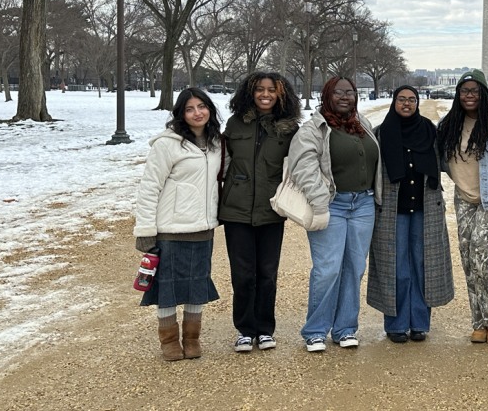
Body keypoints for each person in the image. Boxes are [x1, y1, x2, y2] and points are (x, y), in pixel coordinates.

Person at [287, 76, 381, 352]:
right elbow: (303, 168)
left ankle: (345, 328)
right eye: (338, 92)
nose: (345, 97)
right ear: (327, 95)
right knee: (328, 269)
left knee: (354, 267)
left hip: (363, 205)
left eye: (350, 92)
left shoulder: (362, 124)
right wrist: (320, 201)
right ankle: (315, 330)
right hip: (332, 205)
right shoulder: (313, 129)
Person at [134, 88, 222, 361]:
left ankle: (192, 338)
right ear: (181, 114)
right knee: (168, 289)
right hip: (171, 230)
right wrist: (145, 230)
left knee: (197, 286)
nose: (198, 113)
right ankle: (169, 340)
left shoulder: (217, 143)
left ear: (210, 109)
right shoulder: (167, 144)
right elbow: (149, 188)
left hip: (203, 229)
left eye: (202, 106)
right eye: (190, 108)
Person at [219, 72, 302, 353]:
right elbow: (220, 161)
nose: (265, 94)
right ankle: (245, 328)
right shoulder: (235, 124)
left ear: (282, 95)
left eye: (272, 90)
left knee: (267, 273)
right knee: (243, 274)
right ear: (249, 93)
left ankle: (265, 328)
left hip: (271, 209)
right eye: (259, 89)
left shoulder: (289, 129)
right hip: (236, 210)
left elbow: (299, 166)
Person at [367, 85, 454, 343]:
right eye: (402, 99)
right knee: (396, 267)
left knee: (422, 265)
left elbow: (449, 162)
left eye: (412, 100)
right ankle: (396, 324)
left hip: (426, 210)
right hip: (392, 210)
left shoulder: (430, 131)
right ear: (394, 102)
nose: (407, 104)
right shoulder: (381, 133)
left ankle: (419, 323)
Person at [437, 69, 488, 345]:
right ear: (458, 95)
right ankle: (479, 321)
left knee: (482, 255)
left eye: (475, 90)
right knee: (469, 260)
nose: (470, 95)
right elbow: (442, 160)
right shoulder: (448, 125)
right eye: (465, 91)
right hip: (464, 199)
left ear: (484, 93)